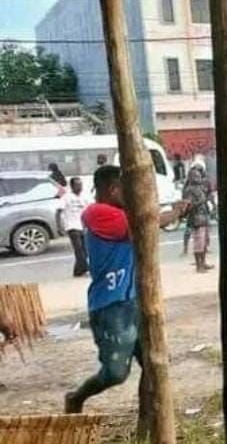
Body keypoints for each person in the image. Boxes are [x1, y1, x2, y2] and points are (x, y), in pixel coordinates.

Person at [64, 165, 187, 413]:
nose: (132, 195)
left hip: (133, 301)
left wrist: (173, 211)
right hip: (111, 307)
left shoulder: (117, 212)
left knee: (156, 363)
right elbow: (145, 225)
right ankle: (76, 398)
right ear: (112, 189)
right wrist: (174, 212)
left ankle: (149, 421)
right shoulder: (99, 212)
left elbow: (144, 219)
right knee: (115, 373)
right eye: (127, 190)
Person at [181, 166, 214, 273]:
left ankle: (203, 263)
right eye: (196, 176)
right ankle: (199, 266)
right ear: (191, 178)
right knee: (198, 244)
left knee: (204, 243)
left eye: (199, 176)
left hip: (203, 217)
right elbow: (189, 206)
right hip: (196, 219)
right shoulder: (189, 190)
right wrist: (202, 201)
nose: (199, 178)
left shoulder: (199, 188)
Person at [59, 176, 91, 277]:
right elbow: (59, 211)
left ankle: (77, 272)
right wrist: (60, 226)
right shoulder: (66, 197)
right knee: (78, 250)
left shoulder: (85, 196)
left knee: (85, 250)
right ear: (72, 186)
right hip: (72, 226)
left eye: (80, 184)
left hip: (84, 226)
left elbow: (90, 209)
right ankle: (86, 269)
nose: (79, 187)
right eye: (77, 185)